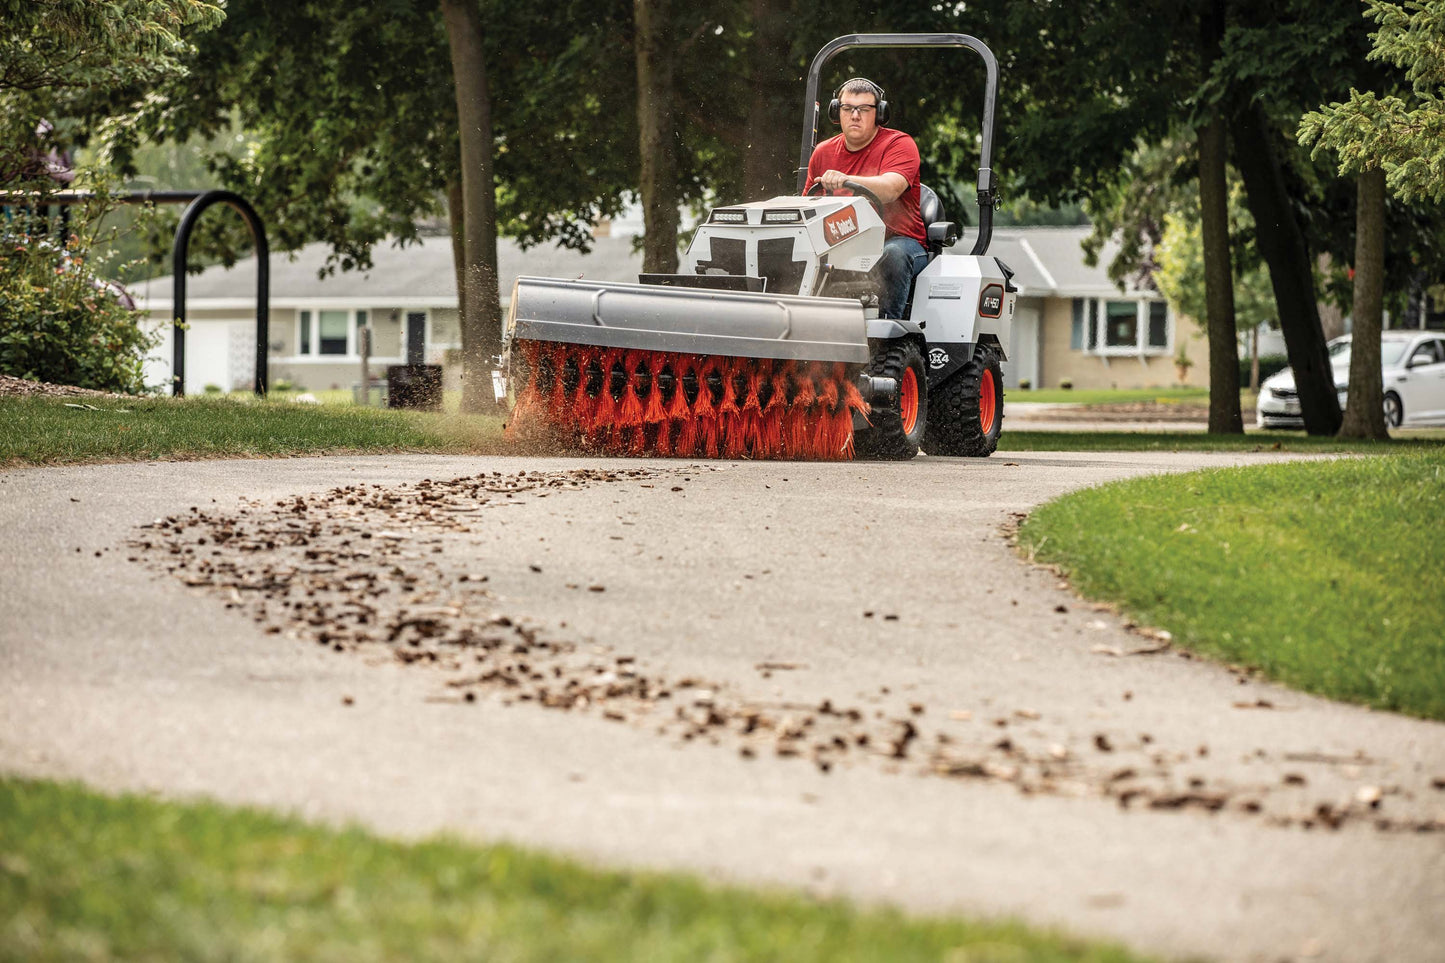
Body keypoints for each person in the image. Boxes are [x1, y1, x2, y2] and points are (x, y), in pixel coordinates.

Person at [807, 78, 927, 319]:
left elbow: (890, 188)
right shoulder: (823, 153)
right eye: (847, 108)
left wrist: (846, 179)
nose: (854, 115)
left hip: (899, 241)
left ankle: (886, 333)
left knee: (892, 256)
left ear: (879, 113)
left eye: (863, 109)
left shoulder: (899, 145)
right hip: (840, 244)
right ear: (835, 111)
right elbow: (808, 208)